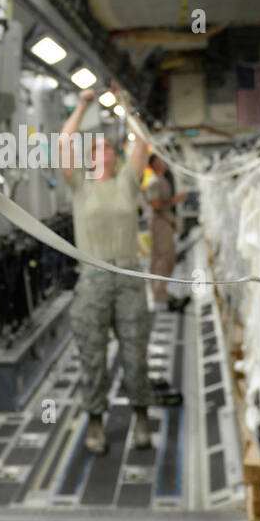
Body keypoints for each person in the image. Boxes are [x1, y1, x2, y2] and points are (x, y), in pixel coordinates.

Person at [58, 89, 180, 457]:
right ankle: (96, 420)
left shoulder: (128, 182)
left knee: (135, 354)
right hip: (93, 280)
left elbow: (142, 141)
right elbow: (64, 142)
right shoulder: (80, 188)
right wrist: (82, 106)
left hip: (127, 278)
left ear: (115, 156)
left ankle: (141, 416)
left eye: (108, 150)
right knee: (92, 356)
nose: (103, 155)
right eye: (95, 151)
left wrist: (127, 107)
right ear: (89, 160)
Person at [144, 154, 189, 311]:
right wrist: (176, 200)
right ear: (154, 164)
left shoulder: (162, 180)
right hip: (159, 223)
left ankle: (159, 288)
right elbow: (156, 204)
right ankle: (158, 290)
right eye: (160, 160)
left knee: (164, 255)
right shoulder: (154, 182)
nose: (163, 163)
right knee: (164, 256)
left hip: (164, 221)